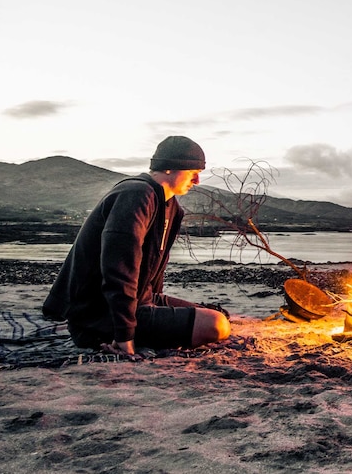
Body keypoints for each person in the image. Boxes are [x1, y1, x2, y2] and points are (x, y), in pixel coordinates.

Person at [43, 136, 231, 360]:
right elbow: (119, 269)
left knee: (218, 315)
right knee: (215, 325)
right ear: (169, 168)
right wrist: (124, 336)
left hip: (141, 301)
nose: (198, 180)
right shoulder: (136, 195)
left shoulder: (171, 207)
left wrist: (156, 306)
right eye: (192, 171)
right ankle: (115, 334)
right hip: (99, 315)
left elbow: (153, 271)